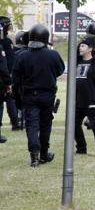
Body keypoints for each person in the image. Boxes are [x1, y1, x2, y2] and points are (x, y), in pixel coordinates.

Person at [12, 24, 64, 166]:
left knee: (32, 125)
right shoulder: (53, 55)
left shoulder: (23, 56)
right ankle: (43, 154)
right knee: (46, 124)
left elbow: (16, 78)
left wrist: (17, 97)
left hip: (29, 95)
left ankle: (34, 156)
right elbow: (60, 70)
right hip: (48, 95)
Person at [0, 17, 18, 134]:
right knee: (9, 98)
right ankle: (15, 122)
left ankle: (15, 121)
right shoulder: (6, 42)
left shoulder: (6, 41)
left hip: (5, 73)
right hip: (5, 74)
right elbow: (10, 60)